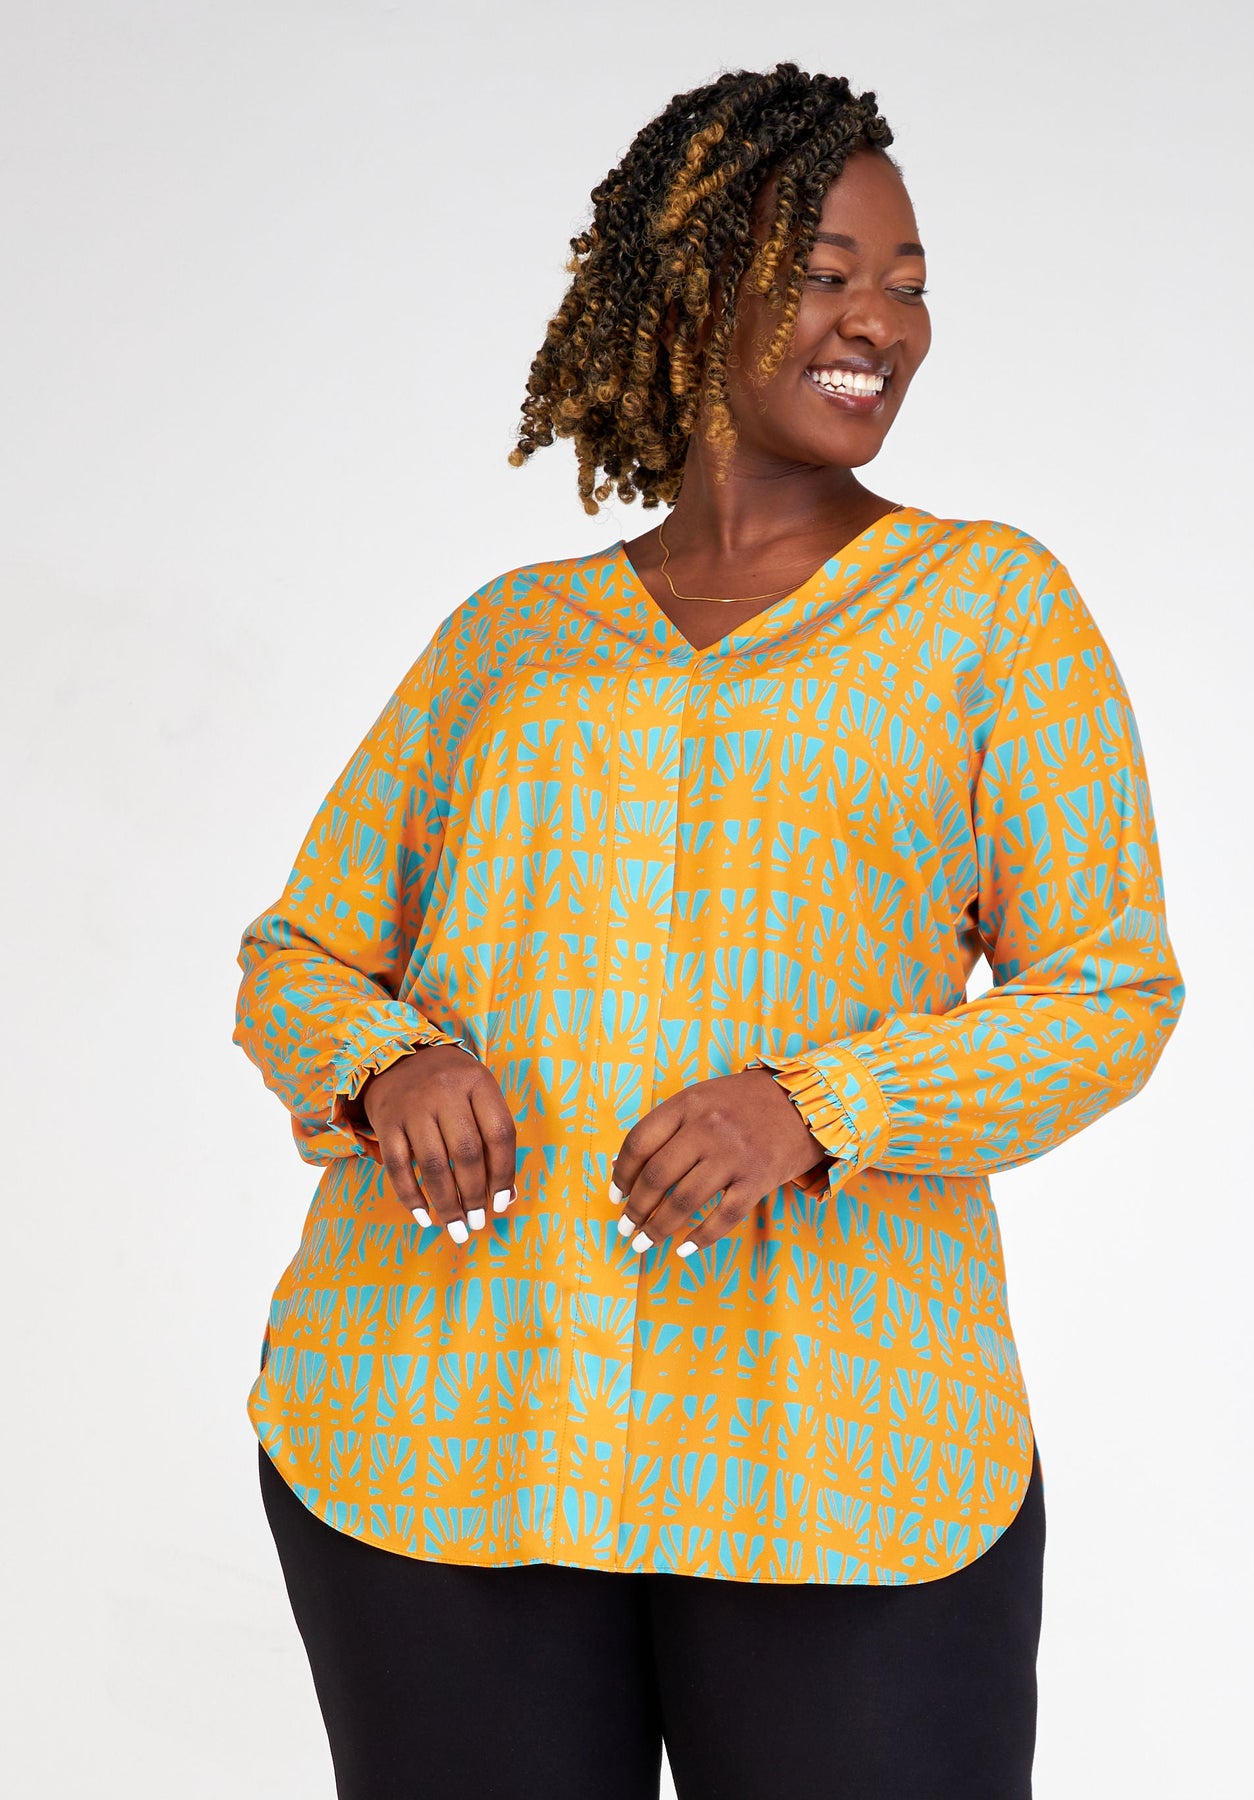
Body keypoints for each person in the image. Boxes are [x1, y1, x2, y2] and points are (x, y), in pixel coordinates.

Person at [233, 61, 1185, 1800]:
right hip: (448, 1423)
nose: (878, 321)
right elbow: (300, 954)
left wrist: (819, 1106)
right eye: (823, 273)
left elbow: (1108, 993)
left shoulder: (989, 613)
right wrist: (385, 1066)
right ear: (685, 290)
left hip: (833, 1445)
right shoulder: (510, 641)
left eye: (905, 284)